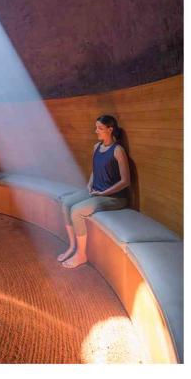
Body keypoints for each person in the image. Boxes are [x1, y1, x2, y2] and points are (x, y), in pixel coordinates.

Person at [57, 115, 131, 268]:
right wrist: (89, 186)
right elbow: (95, 170)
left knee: (76, 211)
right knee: (66, 203)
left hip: (114, 197)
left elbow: (125, 181)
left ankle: (81, 254)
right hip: (96, 191)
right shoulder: (96, 147)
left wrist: (104, 193)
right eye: (96, 127)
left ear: (110, 130)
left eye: (100, 128)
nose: (96, 131)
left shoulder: (118, 150)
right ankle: (72, 246)